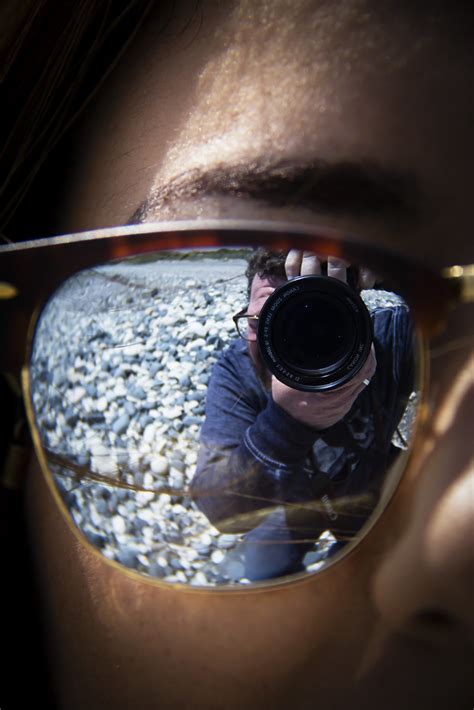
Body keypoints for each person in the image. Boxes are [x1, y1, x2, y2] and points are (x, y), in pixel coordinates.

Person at [1, 1, 473, 708]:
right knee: (264, 553)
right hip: (293, 506)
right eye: (287, 313)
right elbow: (217, 500)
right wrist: (291, 418)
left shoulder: (395, 338)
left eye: (329, 314)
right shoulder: (235, 370)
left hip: (351, 496)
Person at [192, 247, 414, 580]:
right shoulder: (237, 371)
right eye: (264, 321)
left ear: (356, 312)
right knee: (266, 574)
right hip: (289, 503)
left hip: (373, 488)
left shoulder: (386, 341)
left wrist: (395, 272)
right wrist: (286, 423)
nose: (286, 341)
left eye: (317, 320)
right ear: (247, 314)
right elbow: (218, 508)